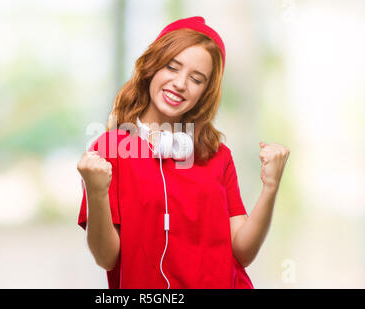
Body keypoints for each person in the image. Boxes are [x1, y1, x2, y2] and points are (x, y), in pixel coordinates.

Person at [77, 16, 290, 289]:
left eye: (196, 79)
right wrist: (96, 192)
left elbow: (243, 252)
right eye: (172, 67)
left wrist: (270, 187)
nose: (180, 83)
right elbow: (107, 258)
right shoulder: (109, 151)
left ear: (205, 92)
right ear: (151, 67)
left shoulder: (218, 155)